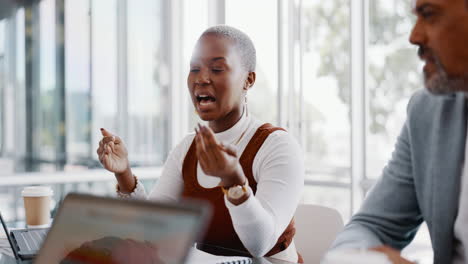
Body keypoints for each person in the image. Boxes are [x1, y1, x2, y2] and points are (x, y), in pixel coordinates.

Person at [96, 25, 304, 263]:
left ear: (248, 80)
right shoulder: (187, 148)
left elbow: (260, 244)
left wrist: (233, 182)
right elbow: (152, 228)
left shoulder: (277, 145)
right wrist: (124, 173)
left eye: (217, 68)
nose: (201, 79)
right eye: (194, 69)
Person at [329, 0, 468, 263]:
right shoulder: (427, 111)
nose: (414, 36)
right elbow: (371, 227)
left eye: (429, 15)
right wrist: (366, 260)